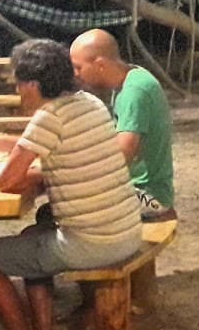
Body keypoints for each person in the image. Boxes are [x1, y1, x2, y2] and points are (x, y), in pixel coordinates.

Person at [0, 39, 142, 330]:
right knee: (34, 236)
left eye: (19, 84)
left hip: (95, 243)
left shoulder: (48, 117)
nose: (18, 91)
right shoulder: (88, 102)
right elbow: (59, 151)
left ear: (32, 85)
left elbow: (7, 182)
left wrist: (13, 164)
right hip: (125, 229)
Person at [70, 29, 177, 222]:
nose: (76, 74)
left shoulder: (134, 91)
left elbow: (122, 155)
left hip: (148, 195)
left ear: (100, 65)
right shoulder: (129, 80)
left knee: (66, 207)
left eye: (78, 67)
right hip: (138, 189)